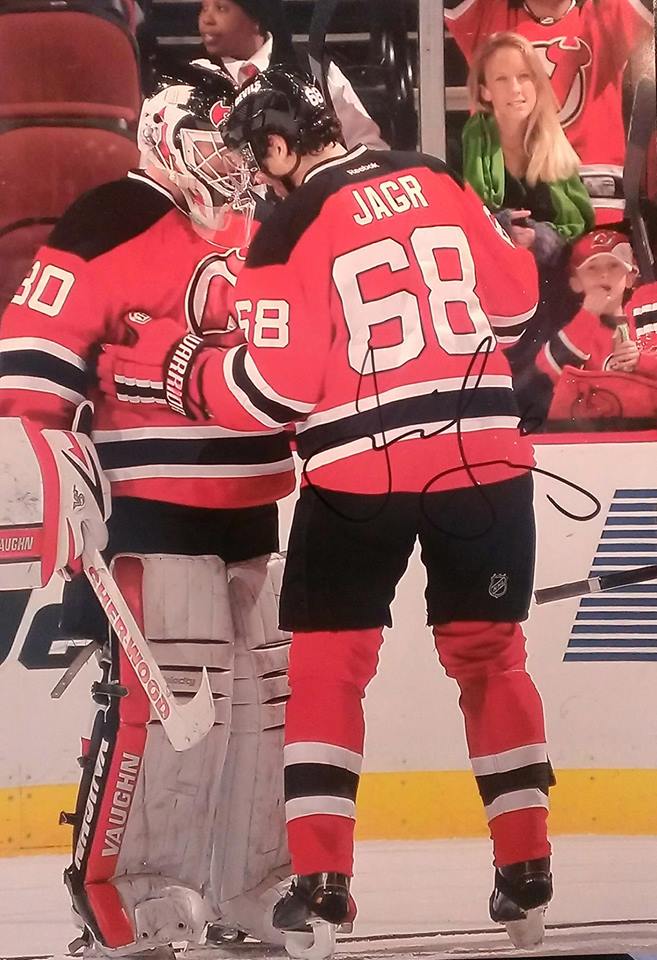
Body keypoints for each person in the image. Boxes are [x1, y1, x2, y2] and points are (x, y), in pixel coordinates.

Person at [97, 67, 556, 951]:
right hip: (488, 466)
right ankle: (526, 874)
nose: (255, 179)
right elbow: (515, 307)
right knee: (492, 659)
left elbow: (273, 391)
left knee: (326, 671)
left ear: (277, 146)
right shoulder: (435, 174)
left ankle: (320, 890)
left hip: (362, 482)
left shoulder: (286, 228)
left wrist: (176, 364)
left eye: (256, 159)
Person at [0, 65, 297, 959]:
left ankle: (259, 885)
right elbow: (28, 367)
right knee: (174, 697)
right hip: (151, 506)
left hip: (256, 498)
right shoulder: (109, 218)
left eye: (243, 150)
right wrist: (48, 477)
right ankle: (130, 890)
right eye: (217, 146)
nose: (235, 168)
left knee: (267, 698)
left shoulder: (268, 227)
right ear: (167, 139)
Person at [463, 30, 594, 419]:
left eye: (524, 77)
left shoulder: (556, 144)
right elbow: (467, 215)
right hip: (499, 297)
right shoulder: (473, 138)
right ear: (485, 91)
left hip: (556, 299)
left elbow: (579, 223)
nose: (515, 89)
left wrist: (544, 238)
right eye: (501, 79)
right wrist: (500, 229)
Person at [445, 0, 655, 224]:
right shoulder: (487, 14)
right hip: (506, 206)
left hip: (596, 204)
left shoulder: (607, 10)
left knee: (607, 256)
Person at [193, 0, 389, 150]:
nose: (206, 20)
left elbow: (366, 143)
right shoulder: (194, 77)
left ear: (256, 16)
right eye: (204, 7)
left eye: (221, 8)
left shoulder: (310, 66)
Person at [536, 229, 657, 418]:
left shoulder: (649, 311)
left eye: (614, 266)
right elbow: (544, 378)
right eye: (592, 267)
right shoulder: (574, 332)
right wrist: (588, 315)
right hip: (596, 439)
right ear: (576, 282)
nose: (604, 275)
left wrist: (642, 361)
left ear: (631, 276)